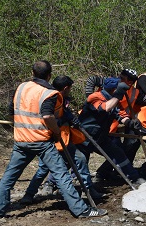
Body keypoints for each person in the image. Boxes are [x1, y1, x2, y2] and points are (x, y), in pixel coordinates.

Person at [0, 60, 106, 219]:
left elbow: (11, 112)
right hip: (41, 142)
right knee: (62, 176)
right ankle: (81, 210)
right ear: (49, 75)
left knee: (9, 177)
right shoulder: (50, 93)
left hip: (21, 140)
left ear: (33, 73)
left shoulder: (21, 87)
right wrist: (57, 132)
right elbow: (47, 116)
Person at [21, 75, 102, 203]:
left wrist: (70, 118)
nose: (69, 91)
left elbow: (63, 113)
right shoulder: (50, 97)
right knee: (43, 168)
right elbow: (47, 118)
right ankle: (29, 195)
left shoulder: (63, 99)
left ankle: (89, 189)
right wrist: (64, 119)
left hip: (64, 139)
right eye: (69, 88)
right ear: (65, 88)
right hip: (50, 139)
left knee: (80, 159)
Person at [81, 77, 146, 186]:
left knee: (118, 153)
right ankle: (50, 183)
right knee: (75, 160)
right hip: (85, 136)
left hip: (101, 136)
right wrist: (118, 94)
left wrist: (130, 123)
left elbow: (120, 114)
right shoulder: (95, 97)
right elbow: (105, 108)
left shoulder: (114, 100)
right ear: (114, 90)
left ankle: (134, 178)